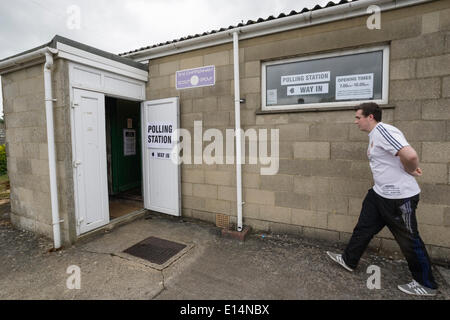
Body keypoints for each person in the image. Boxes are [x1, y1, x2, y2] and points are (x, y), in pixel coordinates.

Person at [326, 102, 438, 296]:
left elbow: (410, 154)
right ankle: (349, 260)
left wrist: (411, 168)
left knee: (409, 240)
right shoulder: (375, 135)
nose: (355, 122)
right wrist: (406, 166)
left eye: (358, 117)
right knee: (364, 227)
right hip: (379, 194)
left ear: (371, 117)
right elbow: (397, 158)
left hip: (399, 198)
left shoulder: (383, 130)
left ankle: (426, 284)